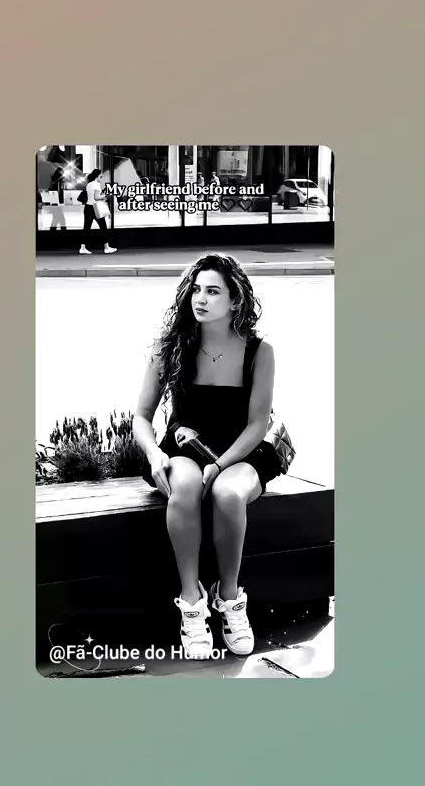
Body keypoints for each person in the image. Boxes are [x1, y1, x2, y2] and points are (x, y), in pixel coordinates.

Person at [133, 254, 282, 660]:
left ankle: (229, 598)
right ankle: (192, 602)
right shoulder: (170, 346)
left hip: (241, 451)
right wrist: (154, 454)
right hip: (184, 447)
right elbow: (141, 417)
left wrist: (220, 465)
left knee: (228, 494)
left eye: (213, 291)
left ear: (235, 301)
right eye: (196, 289)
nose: (200, 299)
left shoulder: (259, 351)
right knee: (184, 485)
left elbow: (257, 425)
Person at [79, 169, 117, 255]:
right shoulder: (96, 184)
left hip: (88, 207)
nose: (101, 177)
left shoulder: (89, 184)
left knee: (86, 228)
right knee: (103, 227)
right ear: (98, 176)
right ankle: (106, 247)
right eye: (101, 176)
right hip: (95, 208)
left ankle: (82, 248)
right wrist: (106, 195)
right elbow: (96, 197)